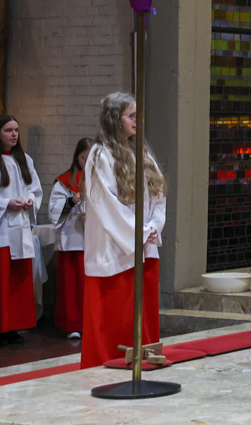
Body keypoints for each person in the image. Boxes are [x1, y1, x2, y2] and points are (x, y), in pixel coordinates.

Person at [81, 93, 166, 368]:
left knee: (139, 316)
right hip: (115, 247)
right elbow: (105, 204)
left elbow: (158, 194)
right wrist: (138, 232)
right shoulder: (100, 155)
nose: (137, 121)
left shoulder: (140, 151)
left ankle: (142, 361)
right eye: (131, 116)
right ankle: (106, 364)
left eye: (138, 116)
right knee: (114, 318)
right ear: (113, 119)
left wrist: (152, 227)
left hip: (142, 244)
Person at [0, 114, 41, 347]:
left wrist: (30, 200)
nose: (14, 134)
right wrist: (5, 203)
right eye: (8, 130)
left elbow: (35, 189)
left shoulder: (25, 159)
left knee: (16, 284)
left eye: (16, 130)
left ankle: (13, 327)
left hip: (19, 229)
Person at [47, 137, 92, 339]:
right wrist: (71, 201)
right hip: (72, 238)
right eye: (83, 158)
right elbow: (54, 211)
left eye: (91, 158)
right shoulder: (65, 181)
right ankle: (72, 324)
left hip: (93, 240)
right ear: (76, 157)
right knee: (72, 285)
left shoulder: (102, 179)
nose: (87, 162)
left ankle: (90, 323)